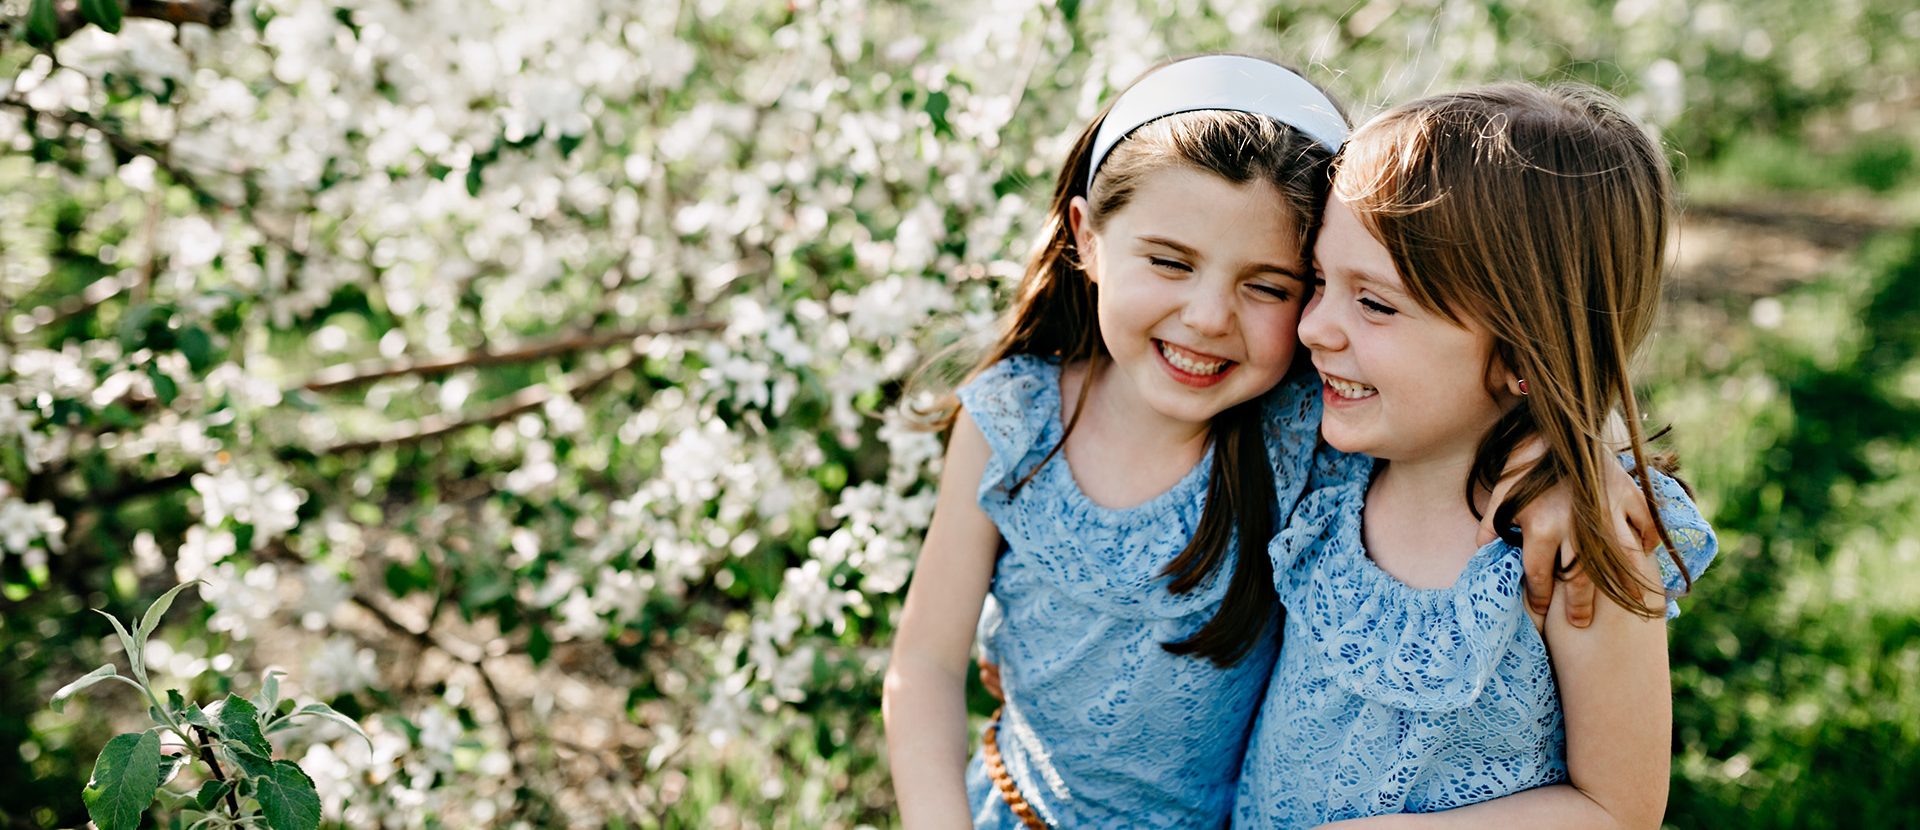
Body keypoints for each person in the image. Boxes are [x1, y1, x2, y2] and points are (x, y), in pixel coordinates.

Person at [1232, 83, 1718, 828]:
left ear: (1523, 354)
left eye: (1377, 303)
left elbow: (1619, 808)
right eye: (1321, 281)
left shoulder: (1576, 548)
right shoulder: (1335, 465)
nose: (1315, 329)